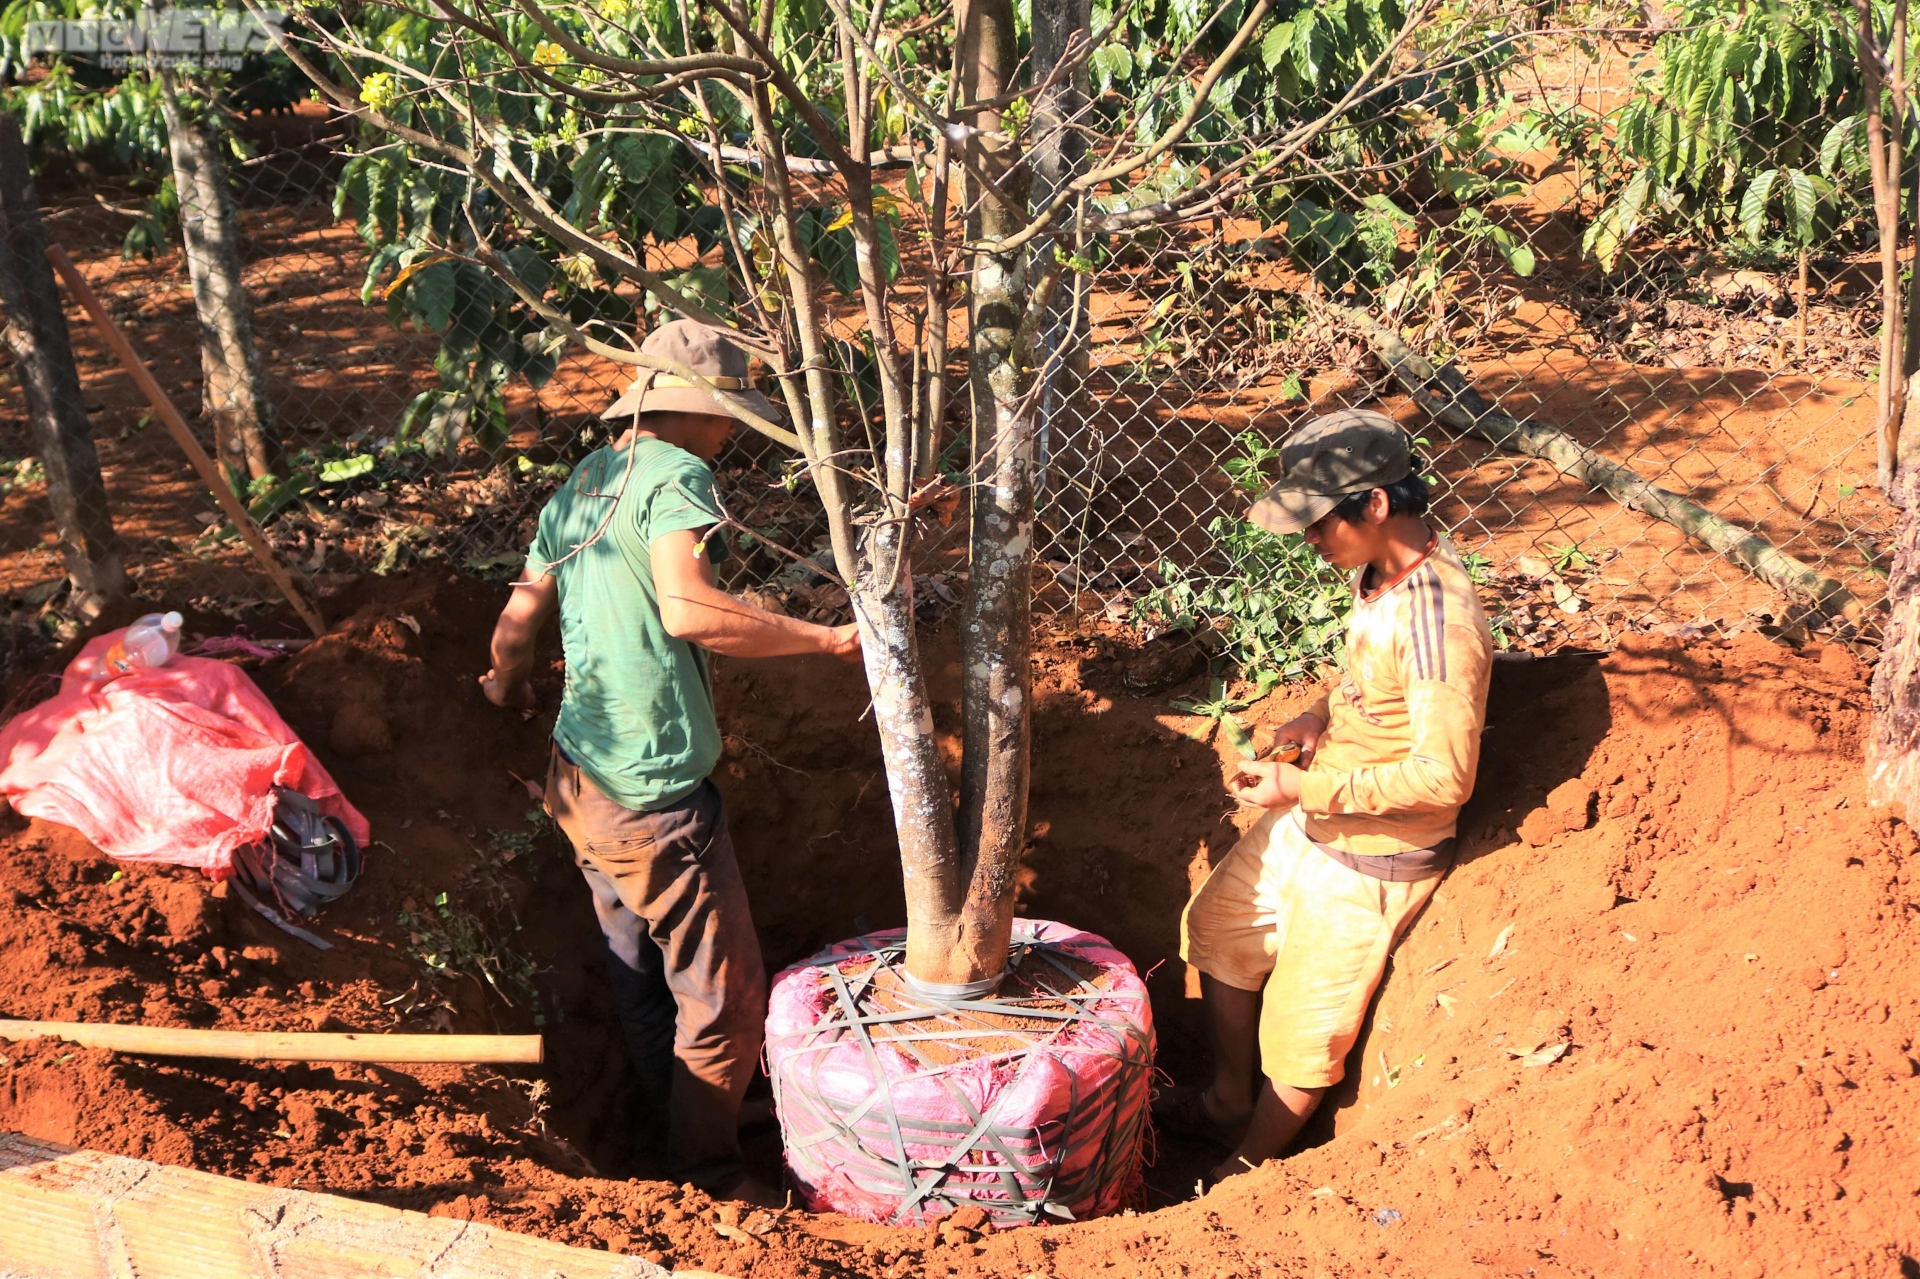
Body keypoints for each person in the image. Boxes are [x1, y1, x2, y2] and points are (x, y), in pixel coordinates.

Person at [480, 319, 861, 1202]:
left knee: (644, 973)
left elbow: (520, 614)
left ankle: (676, 1124)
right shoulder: (680, 476)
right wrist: (825, 638)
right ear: (693, 409)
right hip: (655, 801)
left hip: (578, 781)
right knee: (725, 999)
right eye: (730, 415)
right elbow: (691, 612)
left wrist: (505, 683)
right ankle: (711, 1168)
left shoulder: (587, 477)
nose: (731, 434)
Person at [1160, 408, 1494, 1188]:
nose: (1310, 538)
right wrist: (1316, 718)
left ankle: (1243, 1174)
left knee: (1304, 1041)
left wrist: (1301, 785)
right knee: (1218, 927)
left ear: (1375, 504)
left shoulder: (1441, 625)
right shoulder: (1378, 572)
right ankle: (1224, 1100)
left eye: (1319, 521)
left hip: (1372, 859)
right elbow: (1370, 693)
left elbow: (1446, 777)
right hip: (1314, 819)